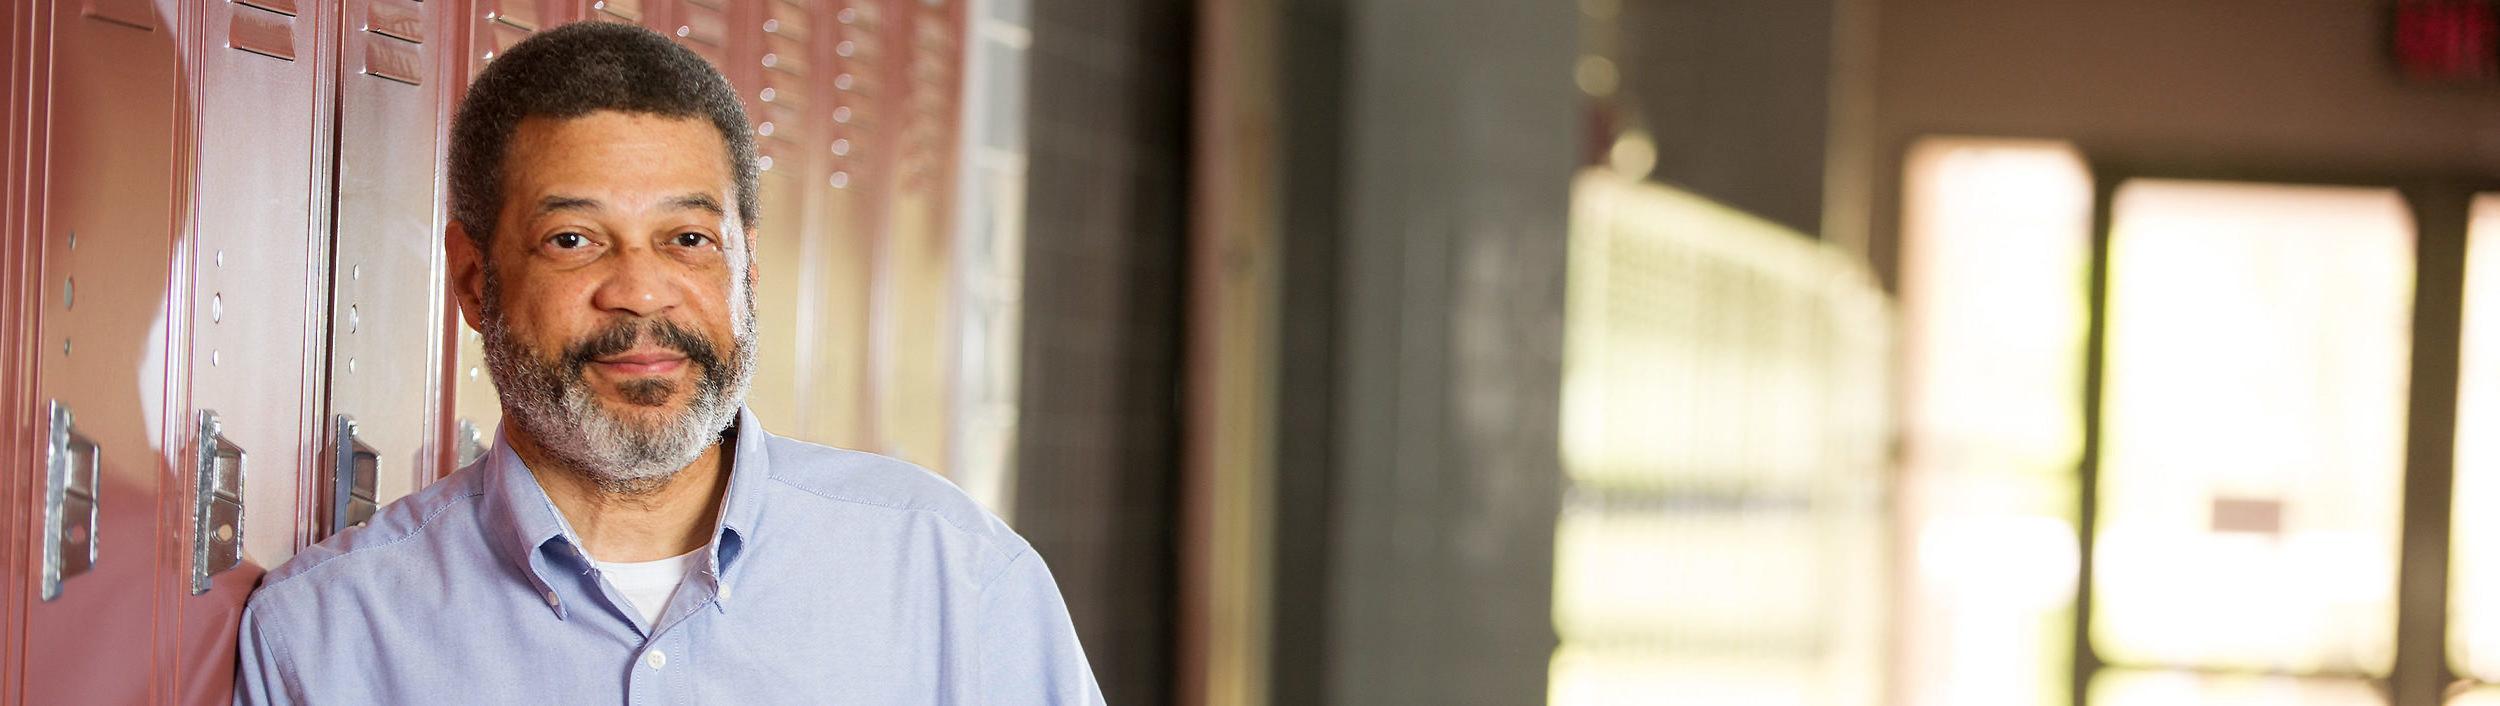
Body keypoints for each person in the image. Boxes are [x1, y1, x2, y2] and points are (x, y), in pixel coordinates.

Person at [234, 21, 1103, 705]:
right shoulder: (323, 635)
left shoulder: (953, 575)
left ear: (745, 270)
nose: (642, 293)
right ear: (473, 280)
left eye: (688, 240)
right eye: (573, 240)